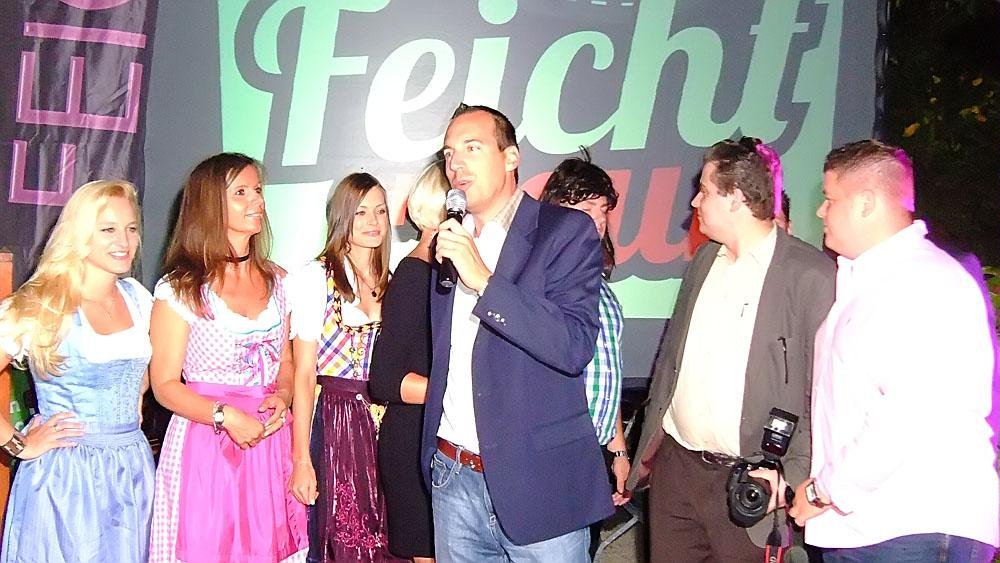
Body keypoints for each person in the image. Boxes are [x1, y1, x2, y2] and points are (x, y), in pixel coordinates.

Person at [627, 137, 836, 562]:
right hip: (677, 471)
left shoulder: (811, 276)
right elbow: (671, 361)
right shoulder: (705, 261)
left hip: (750, 482)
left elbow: (825, 397)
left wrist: (792, 475)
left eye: (704, 191)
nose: (695, 202)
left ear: (737, 198)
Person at [789, 140, 999, 561]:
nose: (821, 211)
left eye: (830, 199)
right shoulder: (871, 282)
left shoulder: (923, 281)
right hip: (870, 529)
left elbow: (910, 413)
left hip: (914, 527)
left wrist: (823, 490)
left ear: (866, 203)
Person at [422, 104, 612, 562]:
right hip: (453, 473)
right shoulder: (449, 242)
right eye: (449, 154)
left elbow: (573, 345)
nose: (456, 164)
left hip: (538, 480)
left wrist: (485, 281)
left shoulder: (564, 232)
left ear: (511, 157)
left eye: (472, 148)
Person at [149, 153, 307, 562]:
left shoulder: (280, 281)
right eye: (241, 192)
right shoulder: (180, 289)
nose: (257, 201)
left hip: (269, 442)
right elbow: (164, 385)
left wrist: (283, 396)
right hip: (207, 442)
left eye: (257, 190)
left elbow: (286, 364)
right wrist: (225, 416)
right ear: (210, 204)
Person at [0, 180, 154, 562]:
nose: (124, 241)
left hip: (131, 471)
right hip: (64, 476)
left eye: (131, 228)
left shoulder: (140, 299)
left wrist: (134, 399)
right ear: (80, 234)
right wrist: (19, 444)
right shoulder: (40, 306)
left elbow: (144, 368)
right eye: (108, 229)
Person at [288, 172, 399, 562]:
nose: (373, 221)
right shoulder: (316, 277)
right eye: (361, 212)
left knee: (391, 536)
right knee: (344, 538)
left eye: (380, 211)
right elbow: (303, 374)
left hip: (387, 422)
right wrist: (301, 460)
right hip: (337, 420)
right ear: (342, 217)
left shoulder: (393, 280)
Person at [538, 151, 630, 501]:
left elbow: (610, 370)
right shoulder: (538, 281)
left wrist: (618, 449)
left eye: (603, 209)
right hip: (553, 450)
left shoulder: (603, 288)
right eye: (587, 208)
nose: (599, 220)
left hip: (595, 448)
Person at [368, 162, 447, 562]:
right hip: (413, 442)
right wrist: (454, 393)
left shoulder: (443, 275)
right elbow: (384, 379)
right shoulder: (415, 275)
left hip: (437, 438)